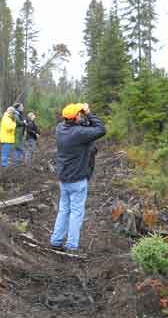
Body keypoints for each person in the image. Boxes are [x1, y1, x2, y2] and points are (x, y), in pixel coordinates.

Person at [50, 103, 106, 254]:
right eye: (79, 114)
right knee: (76, 212)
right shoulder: (79, 133)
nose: (82, 115)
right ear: (76, 117)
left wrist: (84, 117)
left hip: (64, 178)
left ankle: (56, 240)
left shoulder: (60, 129)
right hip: (78, 179)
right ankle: (72, 245)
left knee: (64, 210)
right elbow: (101, 130)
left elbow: (85, 129)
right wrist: (89, 113)